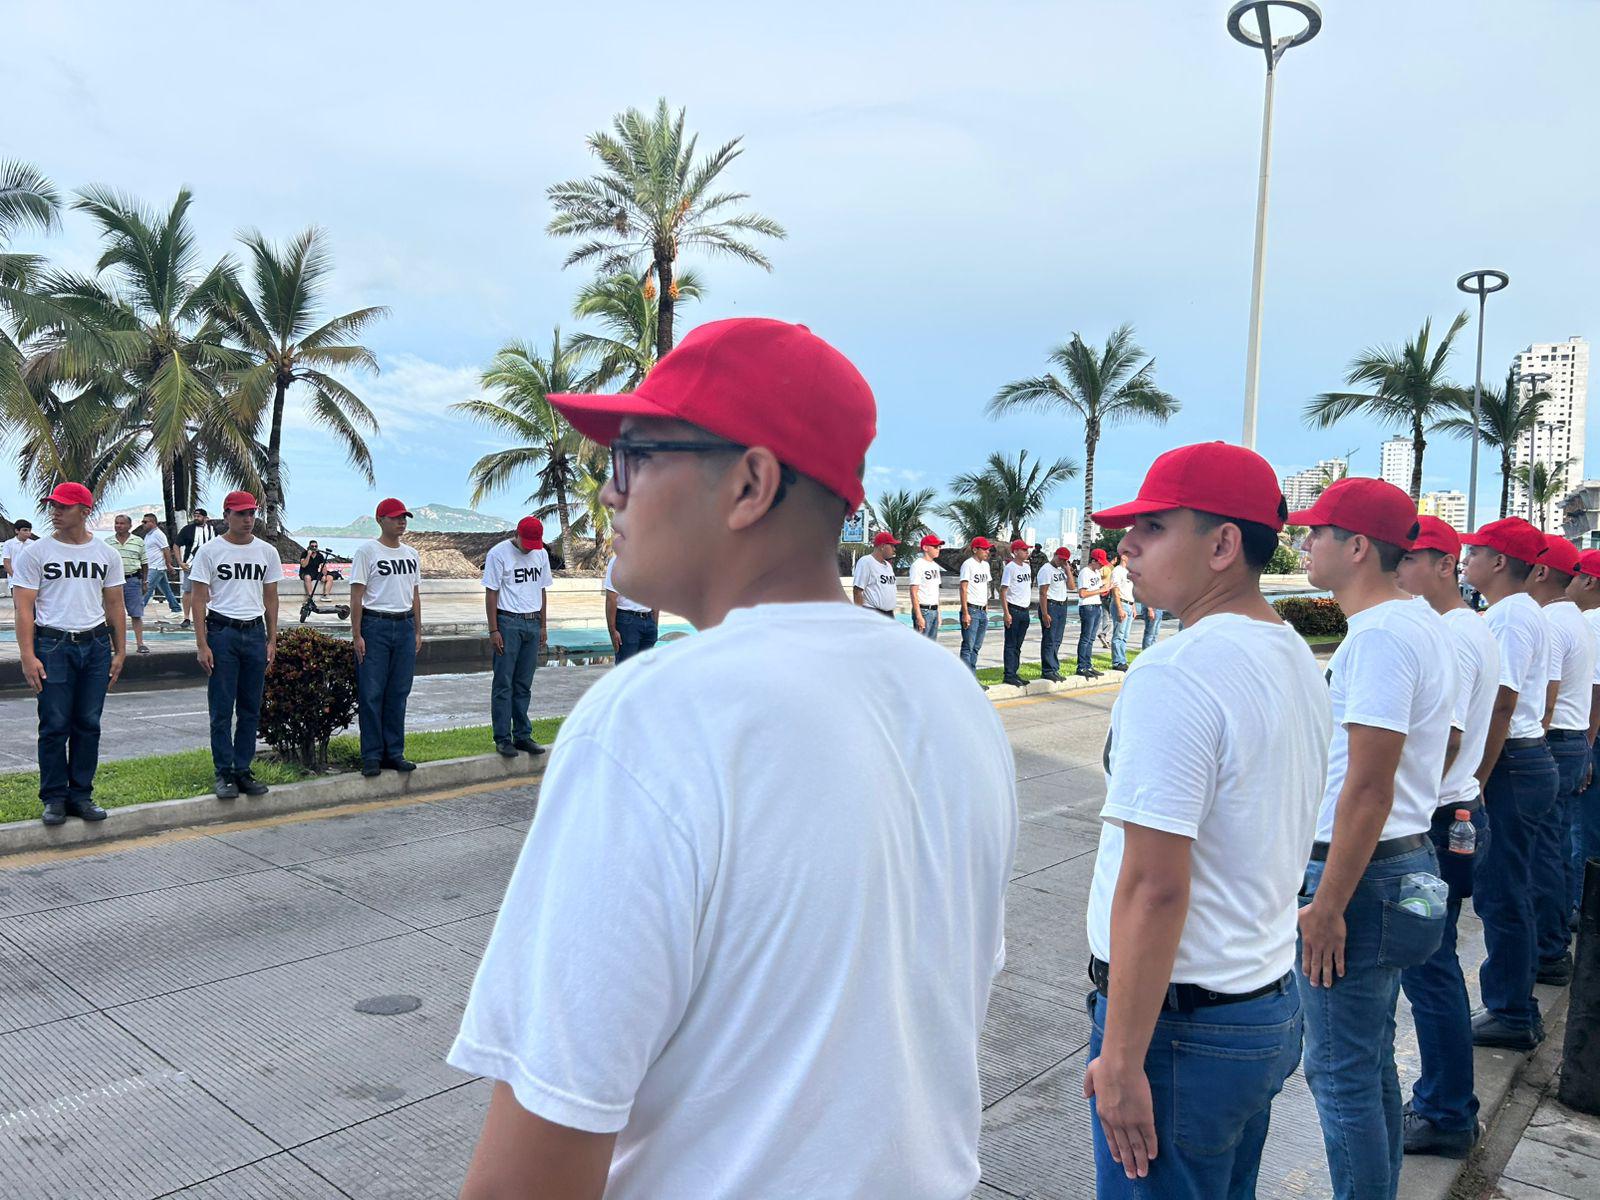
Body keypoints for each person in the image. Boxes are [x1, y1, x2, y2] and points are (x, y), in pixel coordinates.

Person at [449, 317, 1017, 1199]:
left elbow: (539, 1157)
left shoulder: (656, 717)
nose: (608, 491)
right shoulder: (951, 695)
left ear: (751, 484)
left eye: (632, 456)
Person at [1081, 443, 1329, 1197]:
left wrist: (1122, 1060)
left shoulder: (1178, 670)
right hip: (1260, 1004)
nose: (1127, 545)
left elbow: (1154, 886)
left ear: (1223, 545)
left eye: (1153, 527)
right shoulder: (1293, 655)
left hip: (1180, 1029)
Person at [1289, 477, 1452, 1200]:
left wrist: (1327, 904)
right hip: (1397, 863)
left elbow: (1368, 787)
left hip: (1360, 878)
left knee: (1338, 1072)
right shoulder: (1415, 623)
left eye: (1316, 533)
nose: (1304, 544)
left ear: (1357, 547)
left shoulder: (1382, 636)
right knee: (1368, 1061)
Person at [1394, 516, 1500, 1158]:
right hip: (1454, 809)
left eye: (1410, 559)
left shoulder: (1452, 634)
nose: (1399, 569)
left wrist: (1403, 800)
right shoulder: (1469, 627)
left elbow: (1452, 736)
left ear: (1443, 564)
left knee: (1429, 969)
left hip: (1435, 822)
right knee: (1435, 964)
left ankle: (1447, 1112)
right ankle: (1447, 1102)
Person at [1459, 517, 1559, 1052]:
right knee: (1511, 886)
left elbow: (1503, 700)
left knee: (1502, 891)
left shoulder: (1511, 616)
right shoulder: (1517, 611)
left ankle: (1511, 1011)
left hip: (1511, 765)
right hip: (1522, 759)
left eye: (1474, 551)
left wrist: (1478, 775)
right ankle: (1514, 1003)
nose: (1465, 560)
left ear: (1499, 562)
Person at [12, 483, 126, 827]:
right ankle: (54, 798)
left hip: (95, 646)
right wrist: (28, 655)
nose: (56, 512)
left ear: (84, 511)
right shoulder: (36, 552)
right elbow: (23, 608)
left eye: (64, 506)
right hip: (53, 645)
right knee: (54, 724)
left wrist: (120, 651)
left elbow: (115, 604)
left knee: (88, 724)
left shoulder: (106, 554)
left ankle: (81, 795)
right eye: (54, 506)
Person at [1527, 534, 1594, 988]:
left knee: (1542, 854)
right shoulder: (1575, 619)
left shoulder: (1552, 622)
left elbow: (1545, 700)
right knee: (1555, 848)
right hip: (1571, 741)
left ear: (1541, 571)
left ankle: (1549, 951)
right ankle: (1553, 939)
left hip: (1552, 741)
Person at [189, 491, 281, 801]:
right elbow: (198, 599)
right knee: (221, 708)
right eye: (241, 513)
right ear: (226, 515)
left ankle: (243, 769)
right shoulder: (210, 551)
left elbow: (271, 597)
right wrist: (202, 644)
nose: (247, 519)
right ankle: (224, 772)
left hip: (254, 632)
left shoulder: (267, 552)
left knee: (250, 708)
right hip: (222, 632)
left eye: (251, 513)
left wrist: (272, 639)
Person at [350, 498, 423, 778]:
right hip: (375, 624)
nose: (401, 522)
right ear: (380, 520)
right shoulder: (367, 551)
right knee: (371, 693)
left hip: (404, 624)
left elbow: (414, 594)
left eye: (404, 517)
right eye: (395, 517)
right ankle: (371, 755)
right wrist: (357, 634)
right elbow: (357, 595)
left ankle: (394, 752)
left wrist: (418, 630)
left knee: (398, 692)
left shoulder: (411, 554)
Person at [482, 516, 552, 758]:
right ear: (517, 534)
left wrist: (543, 625)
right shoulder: (498, 554)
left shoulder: (541, 554)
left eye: (534, 544)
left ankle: (522, 734)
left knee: (524, 683)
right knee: (504, 682)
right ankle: (502, 738)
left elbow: (542, 590)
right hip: (508, 622)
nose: (529, 549)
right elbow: (491, 592)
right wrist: (494, 630)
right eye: (526, 543)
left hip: (532, 621)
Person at [1569, 549, 1600, 923]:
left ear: (1589, 580)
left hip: (1593, 736)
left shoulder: (1591, 620)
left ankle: (1580, 904)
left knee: (1583, 829)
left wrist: (1586, 746)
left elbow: (1595, 689)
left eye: (1575, 576)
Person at [106, 514, 150, 655]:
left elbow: (144, 563)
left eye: (122, 523)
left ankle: (140, 643)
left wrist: (144, 582)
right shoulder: (108, 542)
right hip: (113, 582)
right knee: (111, 614)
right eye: (116, 523)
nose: (118, 526)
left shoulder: (138, 541)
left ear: (129, 526)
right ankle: (112, 644)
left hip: (132, 580)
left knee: (136, 613)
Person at [606, 552, 658, 661]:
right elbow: (611, 598)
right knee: (626, 666)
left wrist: (654, 624)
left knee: (644, 667)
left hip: (649, 621)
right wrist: (612, 631)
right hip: (627, 623)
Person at [957, 536, 994, 672]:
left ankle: (972, 674)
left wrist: (986, 607)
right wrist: (965, 612)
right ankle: (966, 676)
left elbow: (985, 586)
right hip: (971, 609)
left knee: (976, 647)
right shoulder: (968, 565)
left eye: (988, 549)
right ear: (975, 550)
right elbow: (963, 588)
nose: (987, 552)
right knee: (968, 646)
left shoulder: (986, 565)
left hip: (982, 610)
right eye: (984, 549)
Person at [999, 539, 1033, 686]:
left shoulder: (1027, 567)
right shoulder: (1010, 568)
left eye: (1027, 550)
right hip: (1014, 609)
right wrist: (1006, 612)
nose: (1027, 552)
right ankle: (1009, 674)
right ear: (1016, 551)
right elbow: (1003, 591)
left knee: (1018, 645)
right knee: (1011, 644)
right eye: (1024, 550)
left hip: (1025, 610)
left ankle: (1014, 671)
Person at [175, 506, 216, 629]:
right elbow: (176, 545)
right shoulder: (188, 529)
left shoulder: (212, 530)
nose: (196, 518)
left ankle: (210, 615)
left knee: (209, 591)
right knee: (188, 590)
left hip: (209, 565)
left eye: (199, 516)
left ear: (205, 518)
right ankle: (186, 617)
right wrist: (180, 562)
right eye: (195, 516)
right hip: (191, 564)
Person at [1036, 547, 1072, 683]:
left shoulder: (1061, 570)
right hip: (1051, 605)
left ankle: (1054, 668)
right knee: (1049, 639)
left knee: (1057, 639)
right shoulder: (1046, 569)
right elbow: (1043, 593)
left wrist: (1067, 570)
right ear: (1055, 555)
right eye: (1060, 559)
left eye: (1064, 560)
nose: (1061, 562)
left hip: (1062, 605)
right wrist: (1045, 613)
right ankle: (1047, 670)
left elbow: (1072, 586)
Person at [1076, 548, 1110, 678]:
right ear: (1093, 560)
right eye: (1100, 563)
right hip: (1087, 606)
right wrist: (1100, 591)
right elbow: (1083, 593)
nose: (1101, 566)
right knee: (1085, 637)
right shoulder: (1085, 572)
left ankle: (1088, 665)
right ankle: (1081, 666)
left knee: (1091, 638)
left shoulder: (1096, 572)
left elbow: (1100, 587)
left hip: (1096, 605)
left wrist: (1107, 587)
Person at [138, 512, 180, 613]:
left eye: (145, 522)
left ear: (152, 522)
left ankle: (137, 611)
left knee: (146, 589)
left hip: (156, 567)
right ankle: (176, 609)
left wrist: (169, 564)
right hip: (151, 566)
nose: (143, 524)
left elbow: (166, 549)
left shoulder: (158, 534)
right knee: (166, 590)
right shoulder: (148, 535)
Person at [851, 531, 899, 617]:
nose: (894, 549)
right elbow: (857, 591)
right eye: (892, 546)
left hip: (889, 614)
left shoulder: (888, 565)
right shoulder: (866, 562)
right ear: (882, 546)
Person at [909, 533, 943, 640]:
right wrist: (919, 615)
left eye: (939, 547)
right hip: (924, 610)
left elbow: (935, 591)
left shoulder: (935, 566)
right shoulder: (918, 565)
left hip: (934, 610)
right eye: (935, 547)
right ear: (925, 548)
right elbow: (913, 592)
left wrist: (938, 612)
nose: (938, 549)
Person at [1109, 548, 1136, 670]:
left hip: (1129, 604)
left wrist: (1133, 607)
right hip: (1121, 603)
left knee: (1125, 635)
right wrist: (1119, 608)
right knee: (1119, 634)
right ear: (1124, 557)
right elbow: (1115, 591)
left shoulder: (1129, 572)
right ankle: (1117, 662)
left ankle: (1122, 660)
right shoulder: (1117, 571)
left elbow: (1131, 592)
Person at [2, 518, 37, 598]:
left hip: (31, 581)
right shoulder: (9, 544)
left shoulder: (33, 544)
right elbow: (6, 562)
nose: (28, 533)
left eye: (29, 530)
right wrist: (15, 577)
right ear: (17, 531)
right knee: (18, 604)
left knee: (33, 604)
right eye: (25, 530)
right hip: (15, 581)